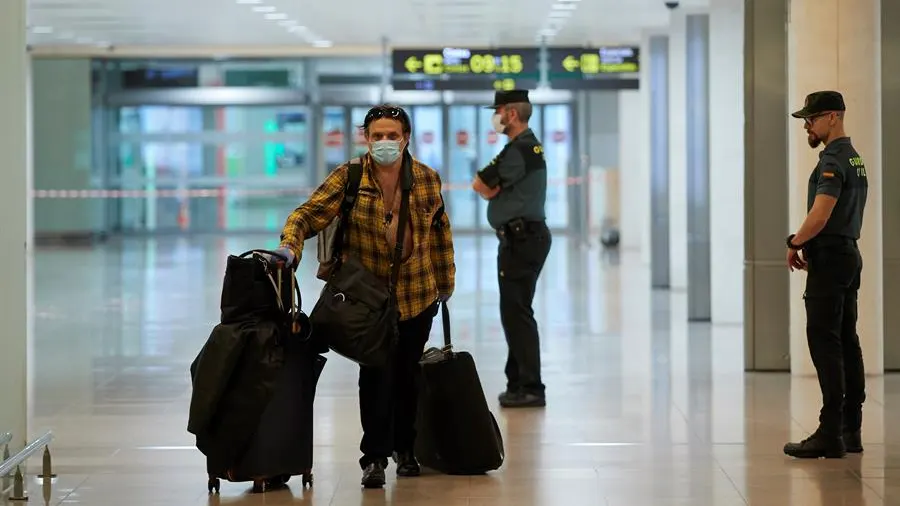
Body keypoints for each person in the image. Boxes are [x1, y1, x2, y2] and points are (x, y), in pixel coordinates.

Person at [272, 104, 456, 487]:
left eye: (392, 135)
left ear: (406, 138)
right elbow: (306, 215)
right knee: (374, 374)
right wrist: (290, 247)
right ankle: (374, 457)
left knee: (408, 375)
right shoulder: (350, 177)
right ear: (366, 139)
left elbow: (440, 232)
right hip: (369, 300)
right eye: (377, 136)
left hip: (417, 293)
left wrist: (445, 283)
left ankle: (406, 449)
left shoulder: (426, 179)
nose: (385, 142)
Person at [783, 90, 868, 459]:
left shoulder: (833, 160)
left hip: (831, 257)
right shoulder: (855, 158)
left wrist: (795, 241)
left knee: (825, 343)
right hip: (848, 255)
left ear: (833, 117)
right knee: (846, 340)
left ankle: (829, 432)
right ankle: (851, 428)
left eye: (813, 119)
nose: (808, 126)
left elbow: (821, 213)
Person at [472, 89, 551, 409]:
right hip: (526, 238)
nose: (496, 116)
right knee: (516, 312)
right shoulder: (528, 146)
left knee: (516, 314)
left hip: (522, 239)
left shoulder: (518, 150)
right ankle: (518, 381)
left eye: (499, 110)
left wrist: (492, 189)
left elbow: (480, 184)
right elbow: (488, 187)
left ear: (512, 114)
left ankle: (530, 386)